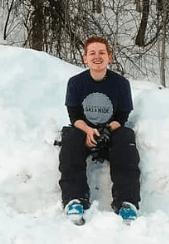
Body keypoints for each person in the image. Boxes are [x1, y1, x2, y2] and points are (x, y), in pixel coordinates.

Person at [58, 36, 141, 224]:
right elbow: (74, 116)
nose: (97, 56)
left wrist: (106, 131)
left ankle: (127, 202)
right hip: (83, 131)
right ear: (84, 58)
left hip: (111, 132)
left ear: (109, 57)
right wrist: (88, 131)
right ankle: (74, 199)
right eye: (92, 53)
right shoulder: (75, 83)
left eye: (102, 52)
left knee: (126, 139)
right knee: (70, 139)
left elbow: (121, 117)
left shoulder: (121, 84)